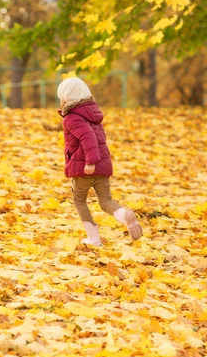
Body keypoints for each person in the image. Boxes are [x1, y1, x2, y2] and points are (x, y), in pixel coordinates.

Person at [57, 76, 143, 247]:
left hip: (85, 168)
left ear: (66, 98)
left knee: (79, 200)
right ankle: (123, 213)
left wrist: (91, 161)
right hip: (102, 167)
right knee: (105, 201)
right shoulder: (92, 113)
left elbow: (88, 138)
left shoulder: (72, 118)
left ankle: (93, 238)